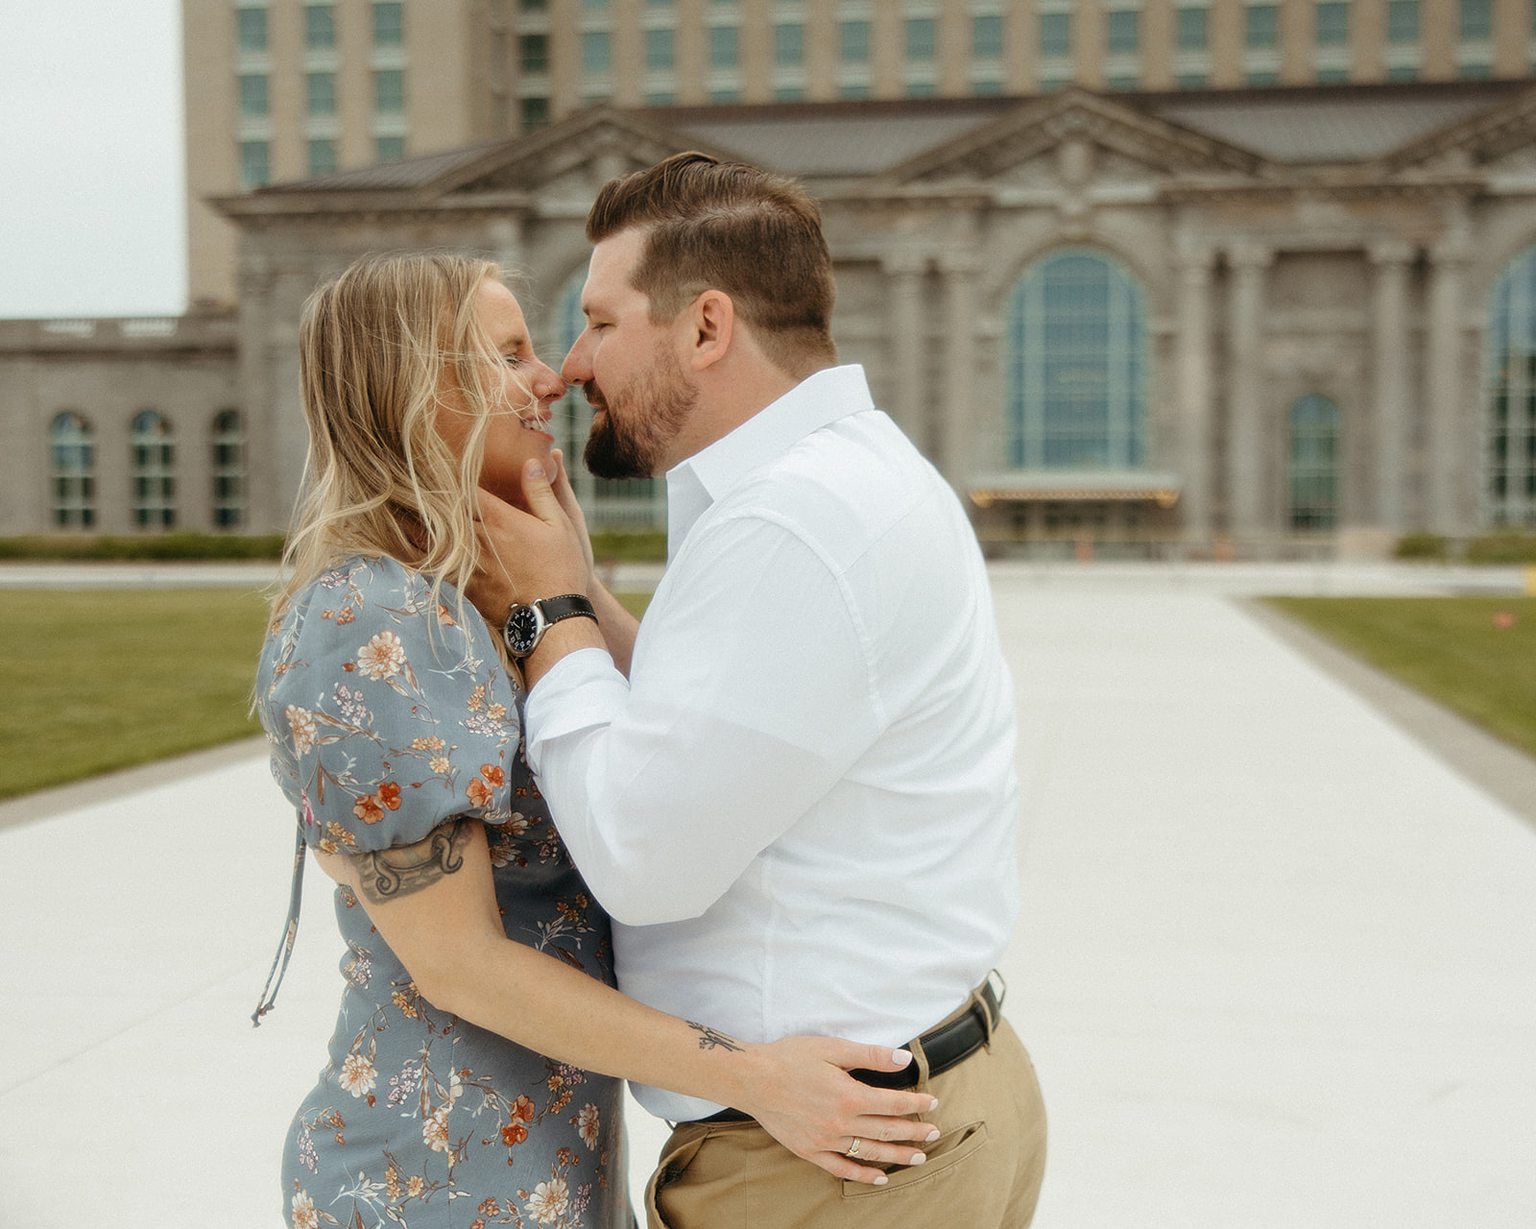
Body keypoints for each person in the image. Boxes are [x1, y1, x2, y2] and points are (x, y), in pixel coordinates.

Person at [250, 252, 943, 1229]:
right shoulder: (370, 616)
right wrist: (759, 1078)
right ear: (414, 389)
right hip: (429, 1180)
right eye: (507, 353)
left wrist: (567, 581)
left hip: (551, 1165)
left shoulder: (471, 600)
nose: (552, 377)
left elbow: (663, 743)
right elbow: (460, 962)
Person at [465, 153, 1048, 1229]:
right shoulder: (846, 471)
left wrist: (548, 618)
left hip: (834, 1161)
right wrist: (585, 590)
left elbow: (643, 856)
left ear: (706, 328)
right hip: (919, 1105)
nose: (572, 363)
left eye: (598, 322)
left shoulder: (791, 521)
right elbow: (728, 715)